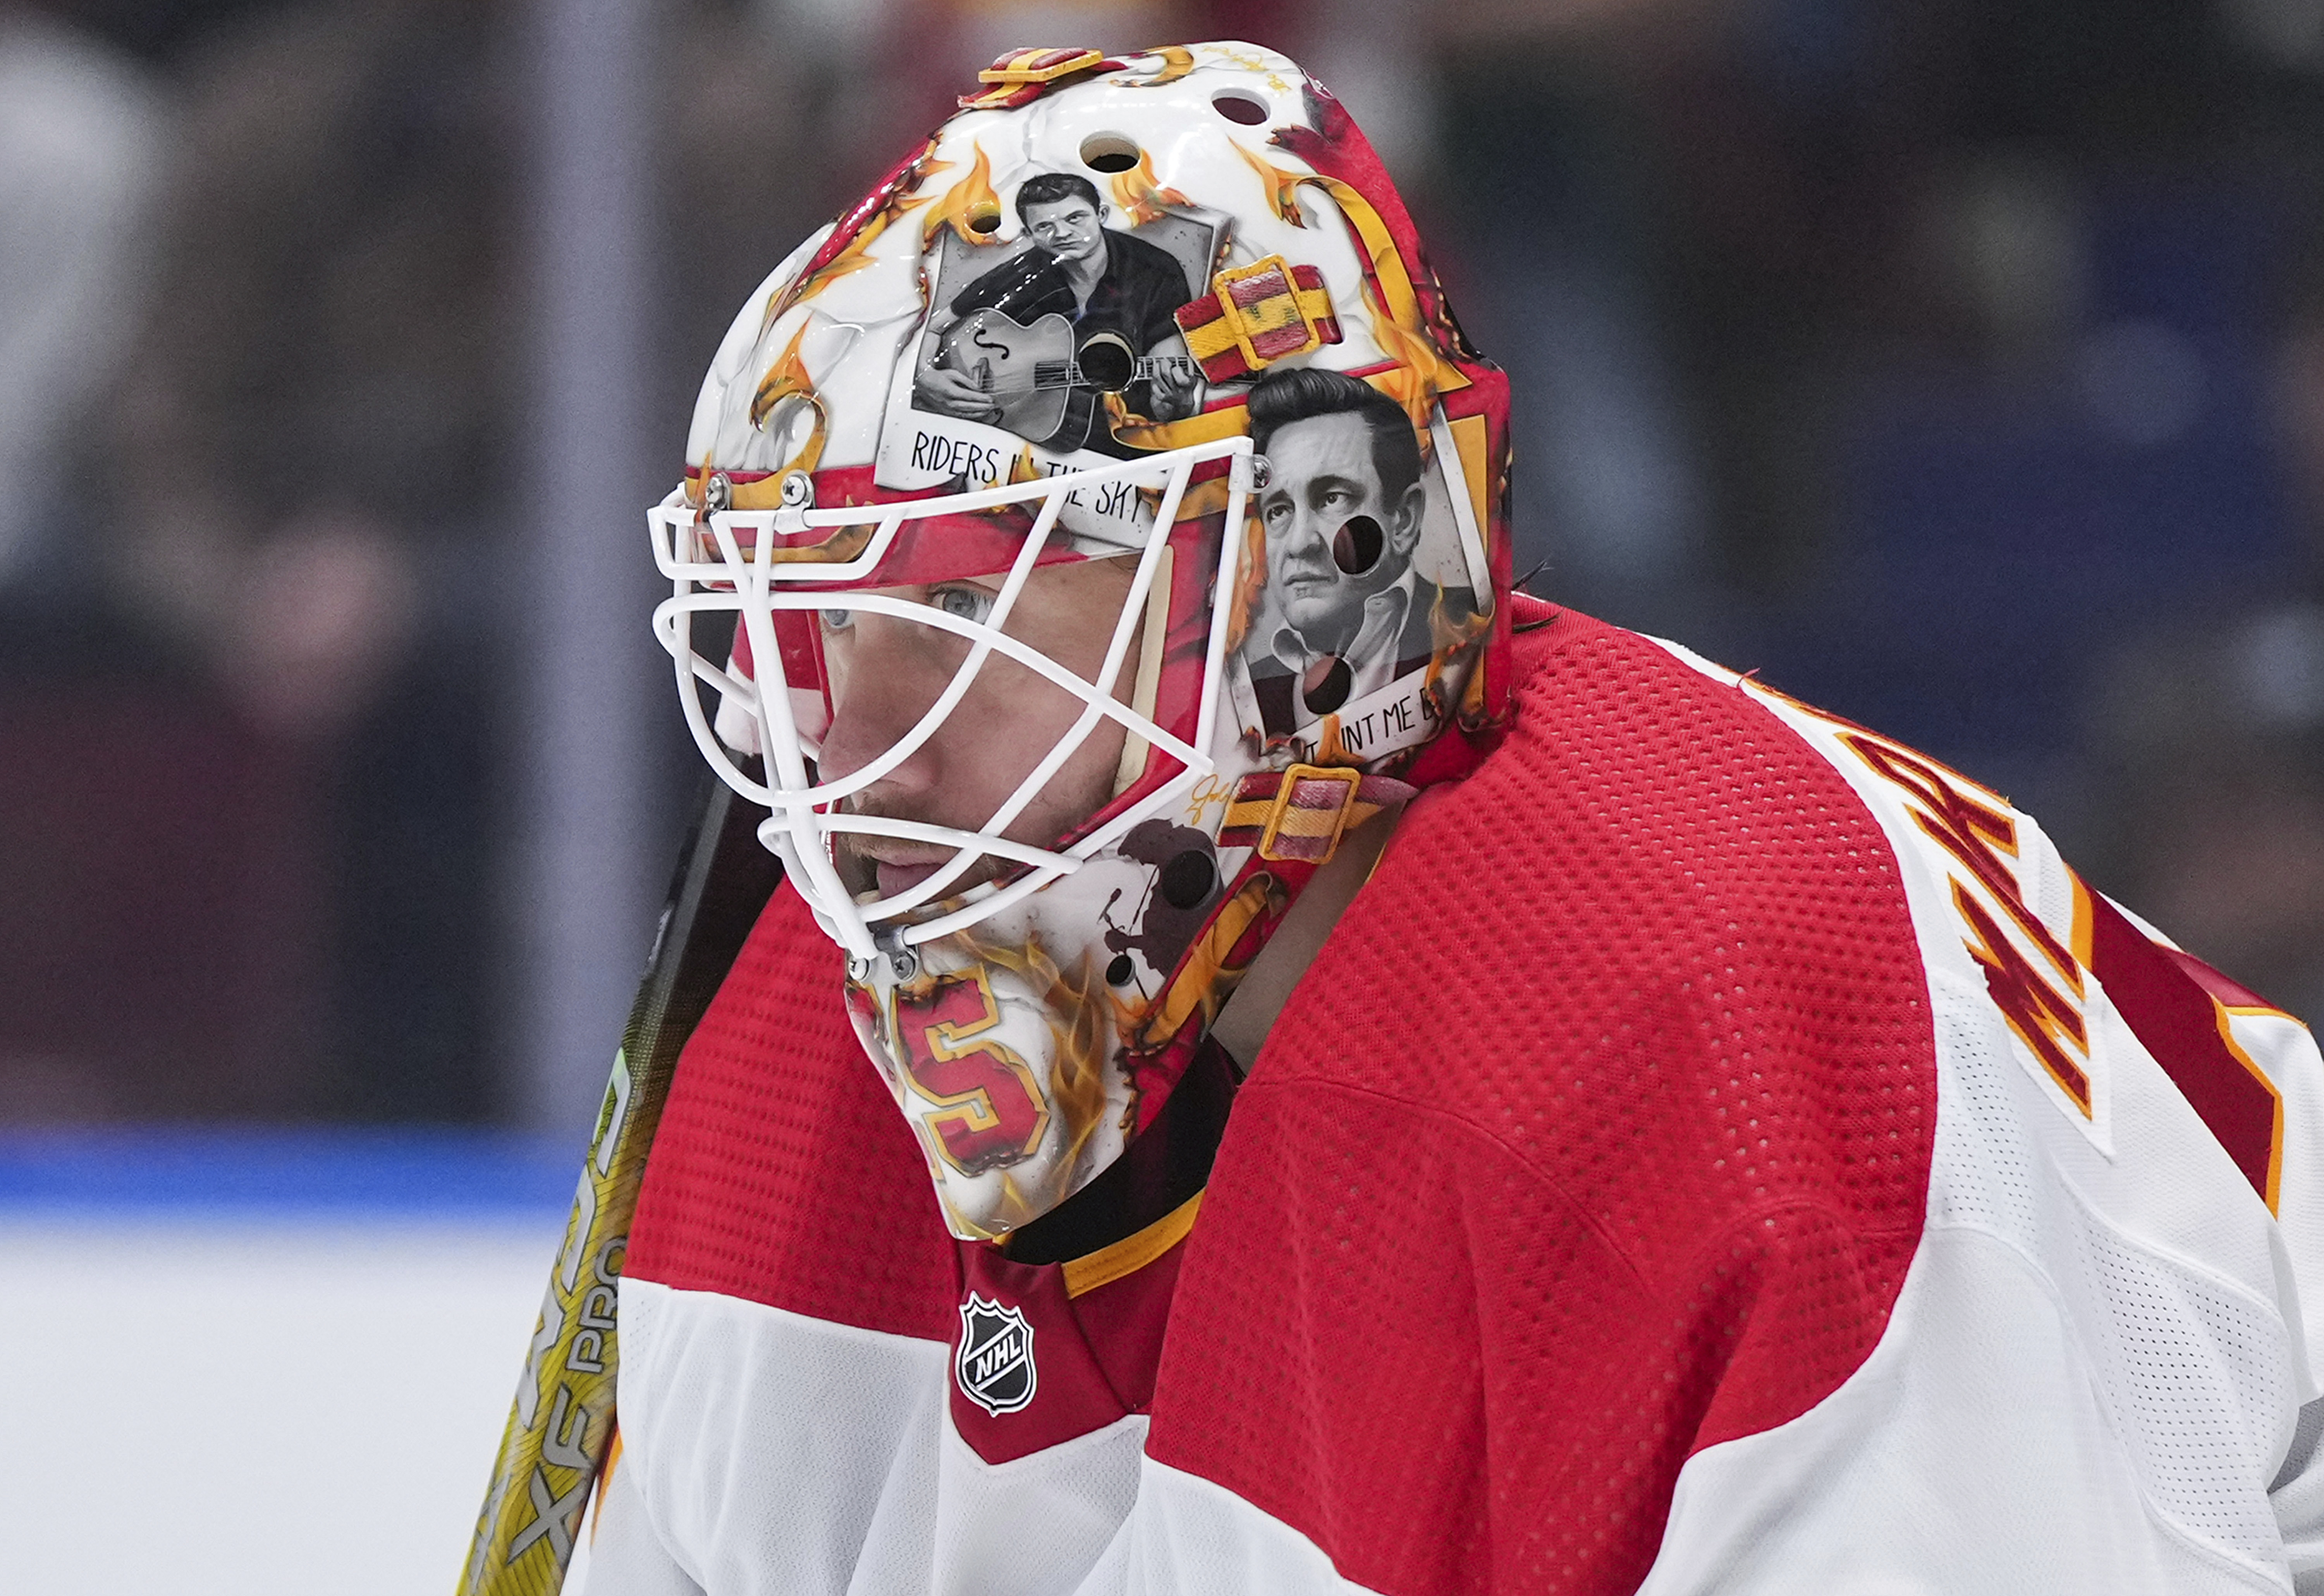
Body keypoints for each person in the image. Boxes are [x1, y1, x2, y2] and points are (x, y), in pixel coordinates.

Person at [474, 44, 2324, 1596]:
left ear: (1311, 585)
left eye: (962, 610)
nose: (853, 744)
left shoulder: (1707, 1009)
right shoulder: (811, 1057)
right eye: (803, 621)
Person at [1241, 364, 1477, 731]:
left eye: (1332, 498)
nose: (1300, 543)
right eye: (1279, 510)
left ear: (1403, 520)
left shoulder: (1477, 634)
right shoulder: (1244, 697)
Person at [915, 170, 1202, 452]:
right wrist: (926, 375)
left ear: (1101, 215)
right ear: (1029, 234)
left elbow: (1168, 400)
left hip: (1124, 448)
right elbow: (934, 326)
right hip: (1024, 443)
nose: (1062, 233)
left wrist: (1174, 401)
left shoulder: (1156, 272)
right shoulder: (1024, 272)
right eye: (1044, 227)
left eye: (1075, 218)